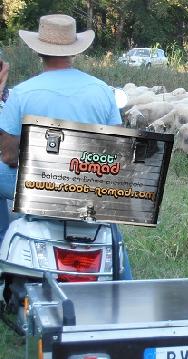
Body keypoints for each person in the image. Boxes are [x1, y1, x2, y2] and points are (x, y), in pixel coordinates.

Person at [0, 14, 131, 278]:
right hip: (88, 187)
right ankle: (124, 280)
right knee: (108, 213)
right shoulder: (102, 91)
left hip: (38, 186)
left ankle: (3, 245)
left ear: (38, 50)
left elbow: (10, 156)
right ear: (75, 51)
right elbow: (118, 152)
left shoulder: (23, 93)